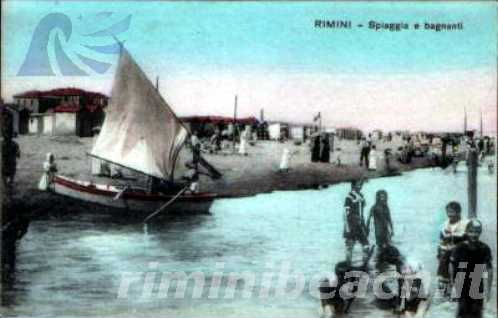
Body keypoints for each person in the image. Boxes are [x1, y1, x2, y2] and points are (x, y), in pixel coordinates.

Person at [450, 219, 493, 318]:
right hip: (461, 279)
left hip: (476, 279)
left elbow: (489, 269)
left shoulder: (484, 248)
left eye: (477, 232)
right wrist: (453, 285)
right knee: (462, 311)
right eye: (471, 231)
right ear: (466, 232)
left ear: (480, 232)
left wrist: (488, 290)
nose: (474, 234)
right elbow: (452, 266)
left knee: (476, 312)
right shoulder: (459, 248)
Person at [437, 201, 468, 296]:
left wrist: (453, 240)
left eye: (452, 212)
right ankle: (444, 281)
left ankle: (455, 285)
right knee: (443, 254)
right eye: (448, 212)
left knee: (450, 255)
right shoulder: (445, 224)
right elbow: (442, 238)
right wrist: (443, 246)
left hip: (462, 248)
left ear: (458, 213)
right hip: (449, 249)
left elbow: (466, 238)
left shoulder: (465, 223)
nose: (450, 214)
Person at [343, 180, 369, 263]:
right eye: (358, 185)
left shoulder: (361, 195)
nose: (360, 187)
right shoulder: (349, 197)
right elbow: (345, 213)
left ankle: (364, 262)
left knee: (365, 244)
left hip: (360, 223)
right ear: (353, 186)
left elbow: (362, 210)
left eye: (361, 185)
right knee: (350, 245)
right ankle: (348, 263)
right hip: (351, 223)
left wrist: (364, 224)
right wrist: (347, 227)